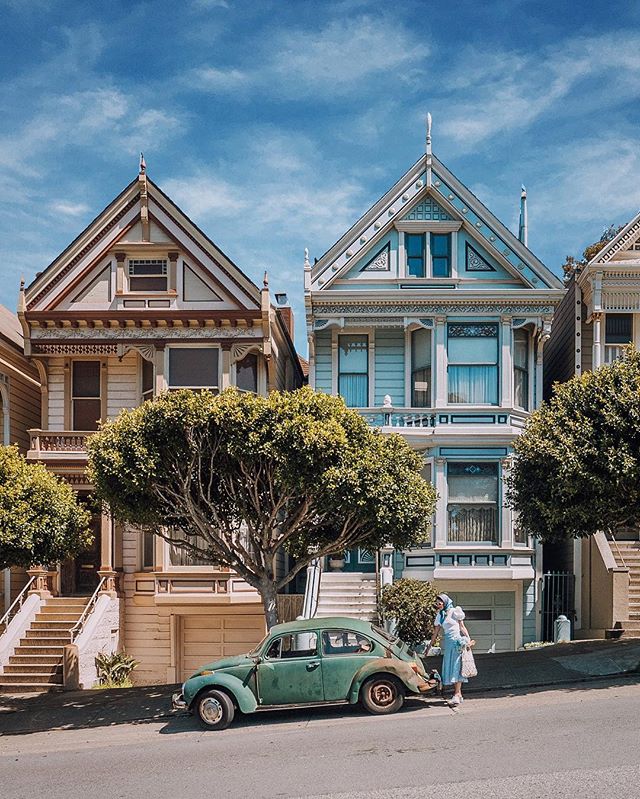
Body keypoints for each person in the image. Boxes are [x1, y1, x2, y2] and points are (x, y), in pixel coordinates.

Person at [427, 593, 472, 706]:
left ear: (445, 602)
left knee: (457, 666)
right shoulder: (440, 615)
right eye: (437, 603)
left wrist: (468, 640)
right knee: (451, 667)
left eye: (440, 603)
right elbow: (435, 633)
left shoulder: (454, 611)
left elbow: (462, 626)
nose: (438, 605)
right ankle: (459, 694)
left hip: (457, 642)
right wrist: (429, 647)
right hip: (448, 644)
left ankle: (456, 694)